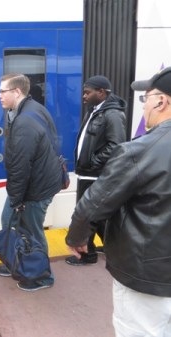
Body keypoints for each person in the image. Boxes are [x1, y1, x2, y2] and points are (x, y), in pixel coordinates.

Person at [66, 66, 171, 336]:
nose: (144, 105)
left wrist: (77, 238)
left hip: (147, 274)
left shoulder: (139, 152)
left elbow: (93, 206)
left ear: (162, 101)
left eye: (146, 98)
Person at [0, 73, 62, 292]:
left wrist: (16, 198)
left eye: (3, 91)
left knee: (31, 231)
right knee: (9, 221)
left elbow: (21, 166)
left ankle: (41, 277)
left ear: (17, 92)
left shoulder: (25, 121)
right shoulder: (30, 109)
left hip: (35, 188)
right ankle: (15, 261)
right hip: (34, 184)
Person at [65, 75, 127, 266]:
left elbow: (116, 145)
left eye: (87, 92)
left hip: (95, 174)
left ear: (101, 93)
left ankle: (88, 254)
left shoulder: (112, 114)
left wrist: (93, 162)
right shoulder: (95, 111)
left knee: (87, 212)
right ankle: (115, 250)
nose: (83, 96)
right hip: (87, 173)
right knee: (98, 217)